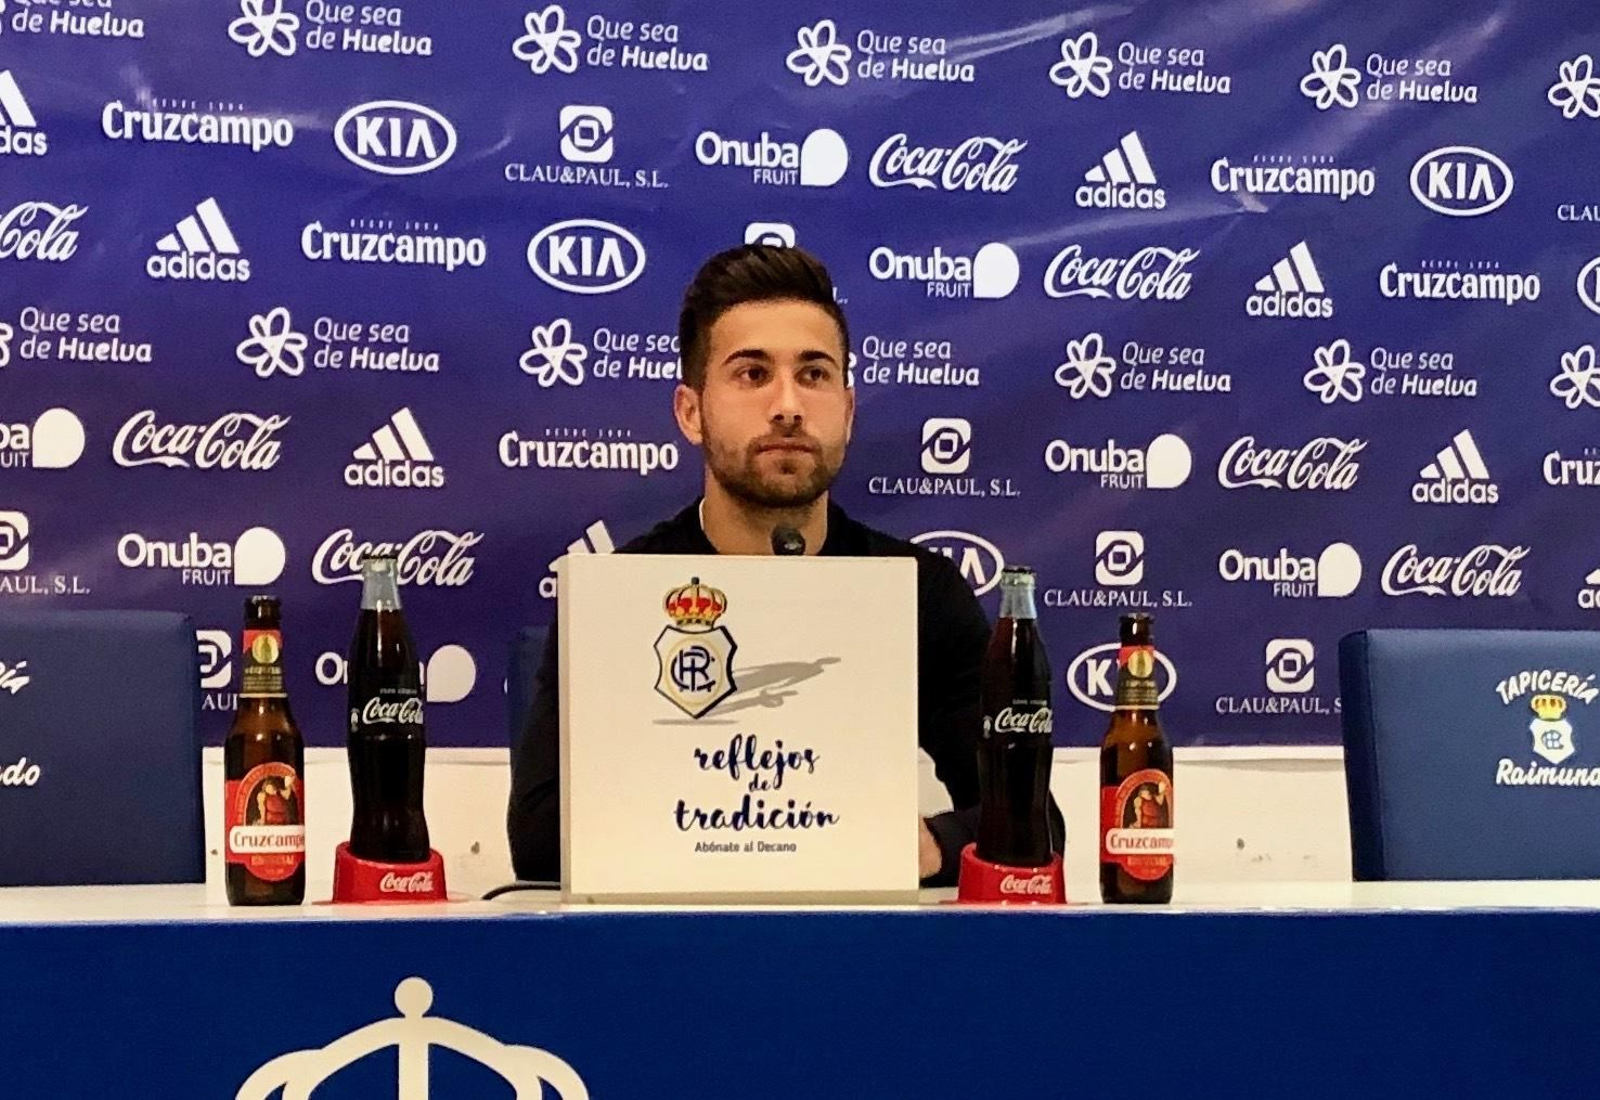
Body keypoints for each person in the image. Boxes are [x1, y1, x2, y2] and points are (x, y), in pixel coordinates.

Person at [507, 244, 1063, 887]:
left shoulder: (921, 593)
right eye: (752, 374)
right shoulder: (617, 598)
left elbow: (1035, 824)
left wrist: (929, 844)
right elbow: (540, 844)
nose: (788, 405)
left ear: (847, 412)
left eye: (814, 374)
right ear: (691, 412)